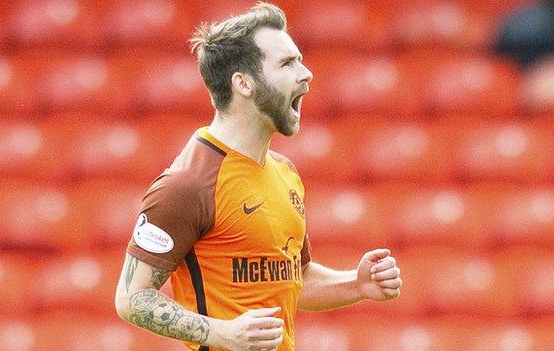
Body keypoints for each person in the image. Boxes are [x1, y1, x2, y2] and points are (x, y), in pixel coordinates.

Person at [114, 3, 402, 351]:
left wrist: (355, 285)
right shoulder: (186, 185)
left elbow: (294, 278)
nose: (306, 73)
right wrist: (223, 333)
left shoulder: (284, 172)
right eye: (287, 63)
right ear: (244, 84)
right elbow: (132, 298)